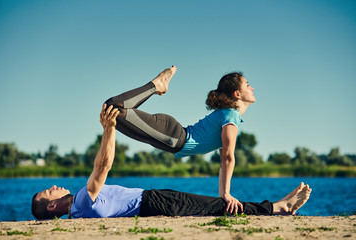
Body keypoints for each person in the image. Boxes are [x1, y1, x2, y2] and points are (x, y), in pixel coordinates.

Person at [31, 104, 312, 220]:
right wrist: (109, 129)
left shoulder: (79, 214)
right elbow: (102, 166)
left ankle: (275, 207)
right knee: (215, 205)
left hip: (151, 203)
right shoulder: (80, 201)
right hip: (154, 202)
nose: (54, 186)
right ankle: (277, 207)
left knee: (211, 206)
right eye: (49, 191)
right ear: (53, 205)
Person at [104, 65, 255, 214]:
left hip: (171, 139)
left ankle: (156, 86)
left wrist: (224, 194)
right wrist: (226, 195)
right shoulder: (231, 115)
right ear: (237, 94)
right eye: (247, 85)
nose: (252, 88)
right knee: (113, 108)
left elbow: (225, 158)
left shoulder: (228, 115)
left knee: (112, 115)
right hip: (173, 135)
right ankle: (155, 85)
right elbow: (228, 157)